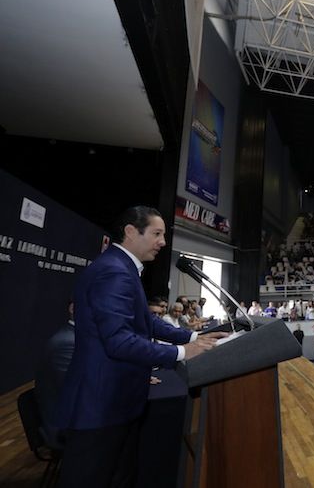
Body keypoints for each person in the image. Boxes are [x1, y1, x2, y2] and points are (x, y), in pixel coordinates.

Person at [56, 206, 226, 488]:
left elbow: (147, 323)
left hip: (115, 401)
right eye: (157, 233)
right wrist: (183, 353)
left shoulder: (122, 268)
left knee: (119, 477)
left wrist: (194, 339)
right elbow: (119, 341)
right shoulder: (114, 272)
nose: (163, 242)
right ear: (131, 232)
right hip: (102, 405)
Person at [35, 301, 76, 446]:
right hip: (65, 428)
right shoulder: (67, 342)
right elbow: (76, 393)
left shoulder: (76, 336)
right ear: (72, 308)